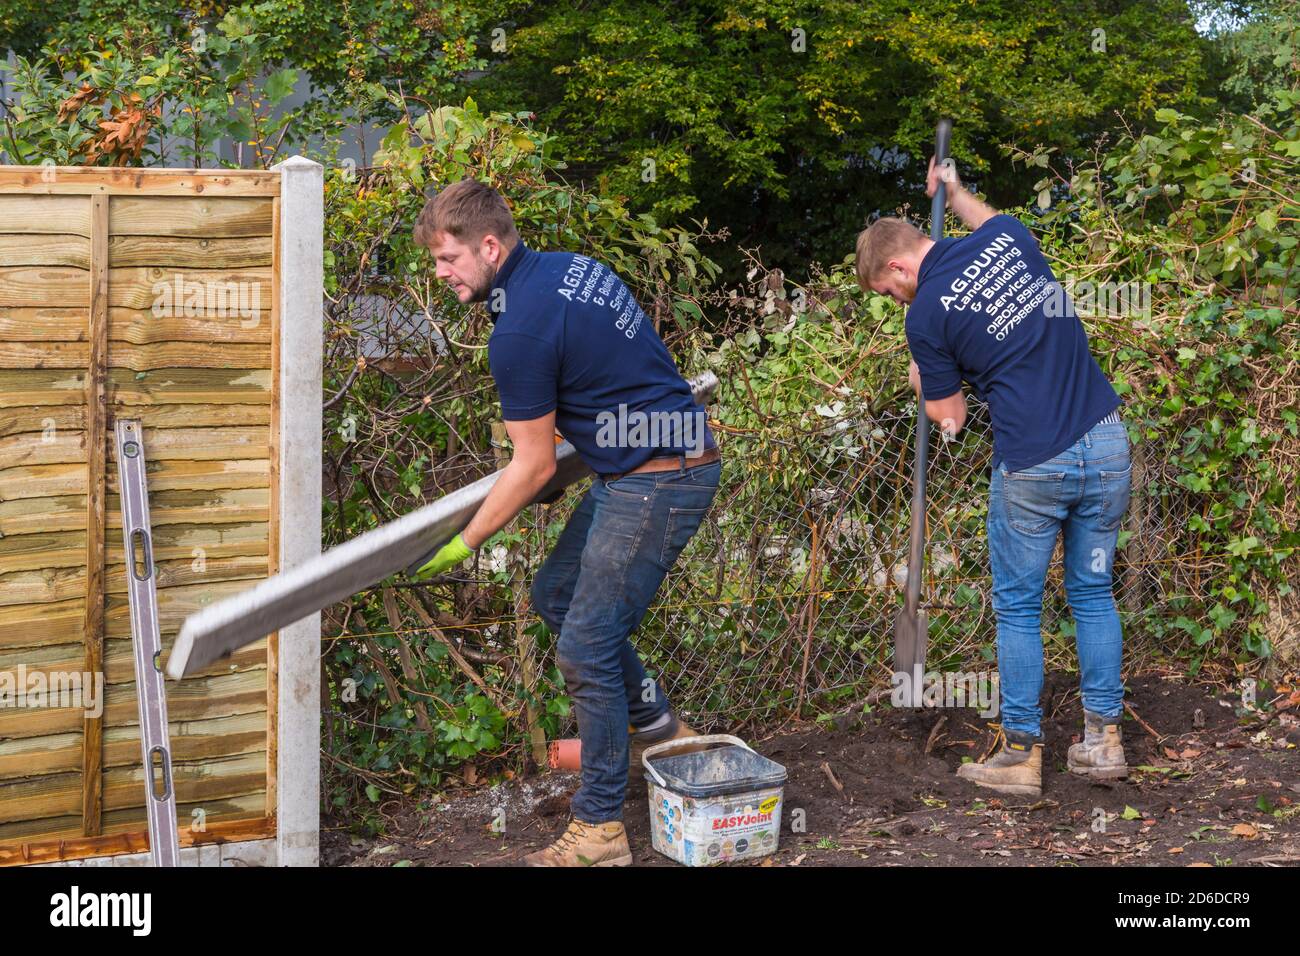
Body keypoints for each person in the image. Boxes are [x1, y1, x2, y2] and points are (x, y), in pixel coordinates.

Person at [411, 178, 720, 864]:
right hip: (648, 463)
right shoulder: (573, 269)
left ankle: (601, 828)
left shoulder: (517, 330)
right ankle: (663, 732)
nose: (440, 274)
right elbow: (607, 377)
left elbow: (533, 467)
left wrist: (463, 542)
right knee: (556, 594)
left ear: (488, 245)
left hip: (661, 477)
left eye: (447, 258)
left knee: (585, 645)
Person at [854, 158, 1132, 796]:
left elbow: (948, 420)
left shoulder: (924, 319)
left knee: (1016, 607)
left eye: (886, 291)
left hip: (1035, 464)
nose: (893, 300)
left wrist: (925, 378)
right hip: (1107, 441)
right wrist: (953, 191)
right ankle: (1102, 743)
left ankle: (1022, 754)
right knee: (1091, 593)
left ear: (897, 267)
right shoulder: (1008, 239)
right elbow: (982, 216)